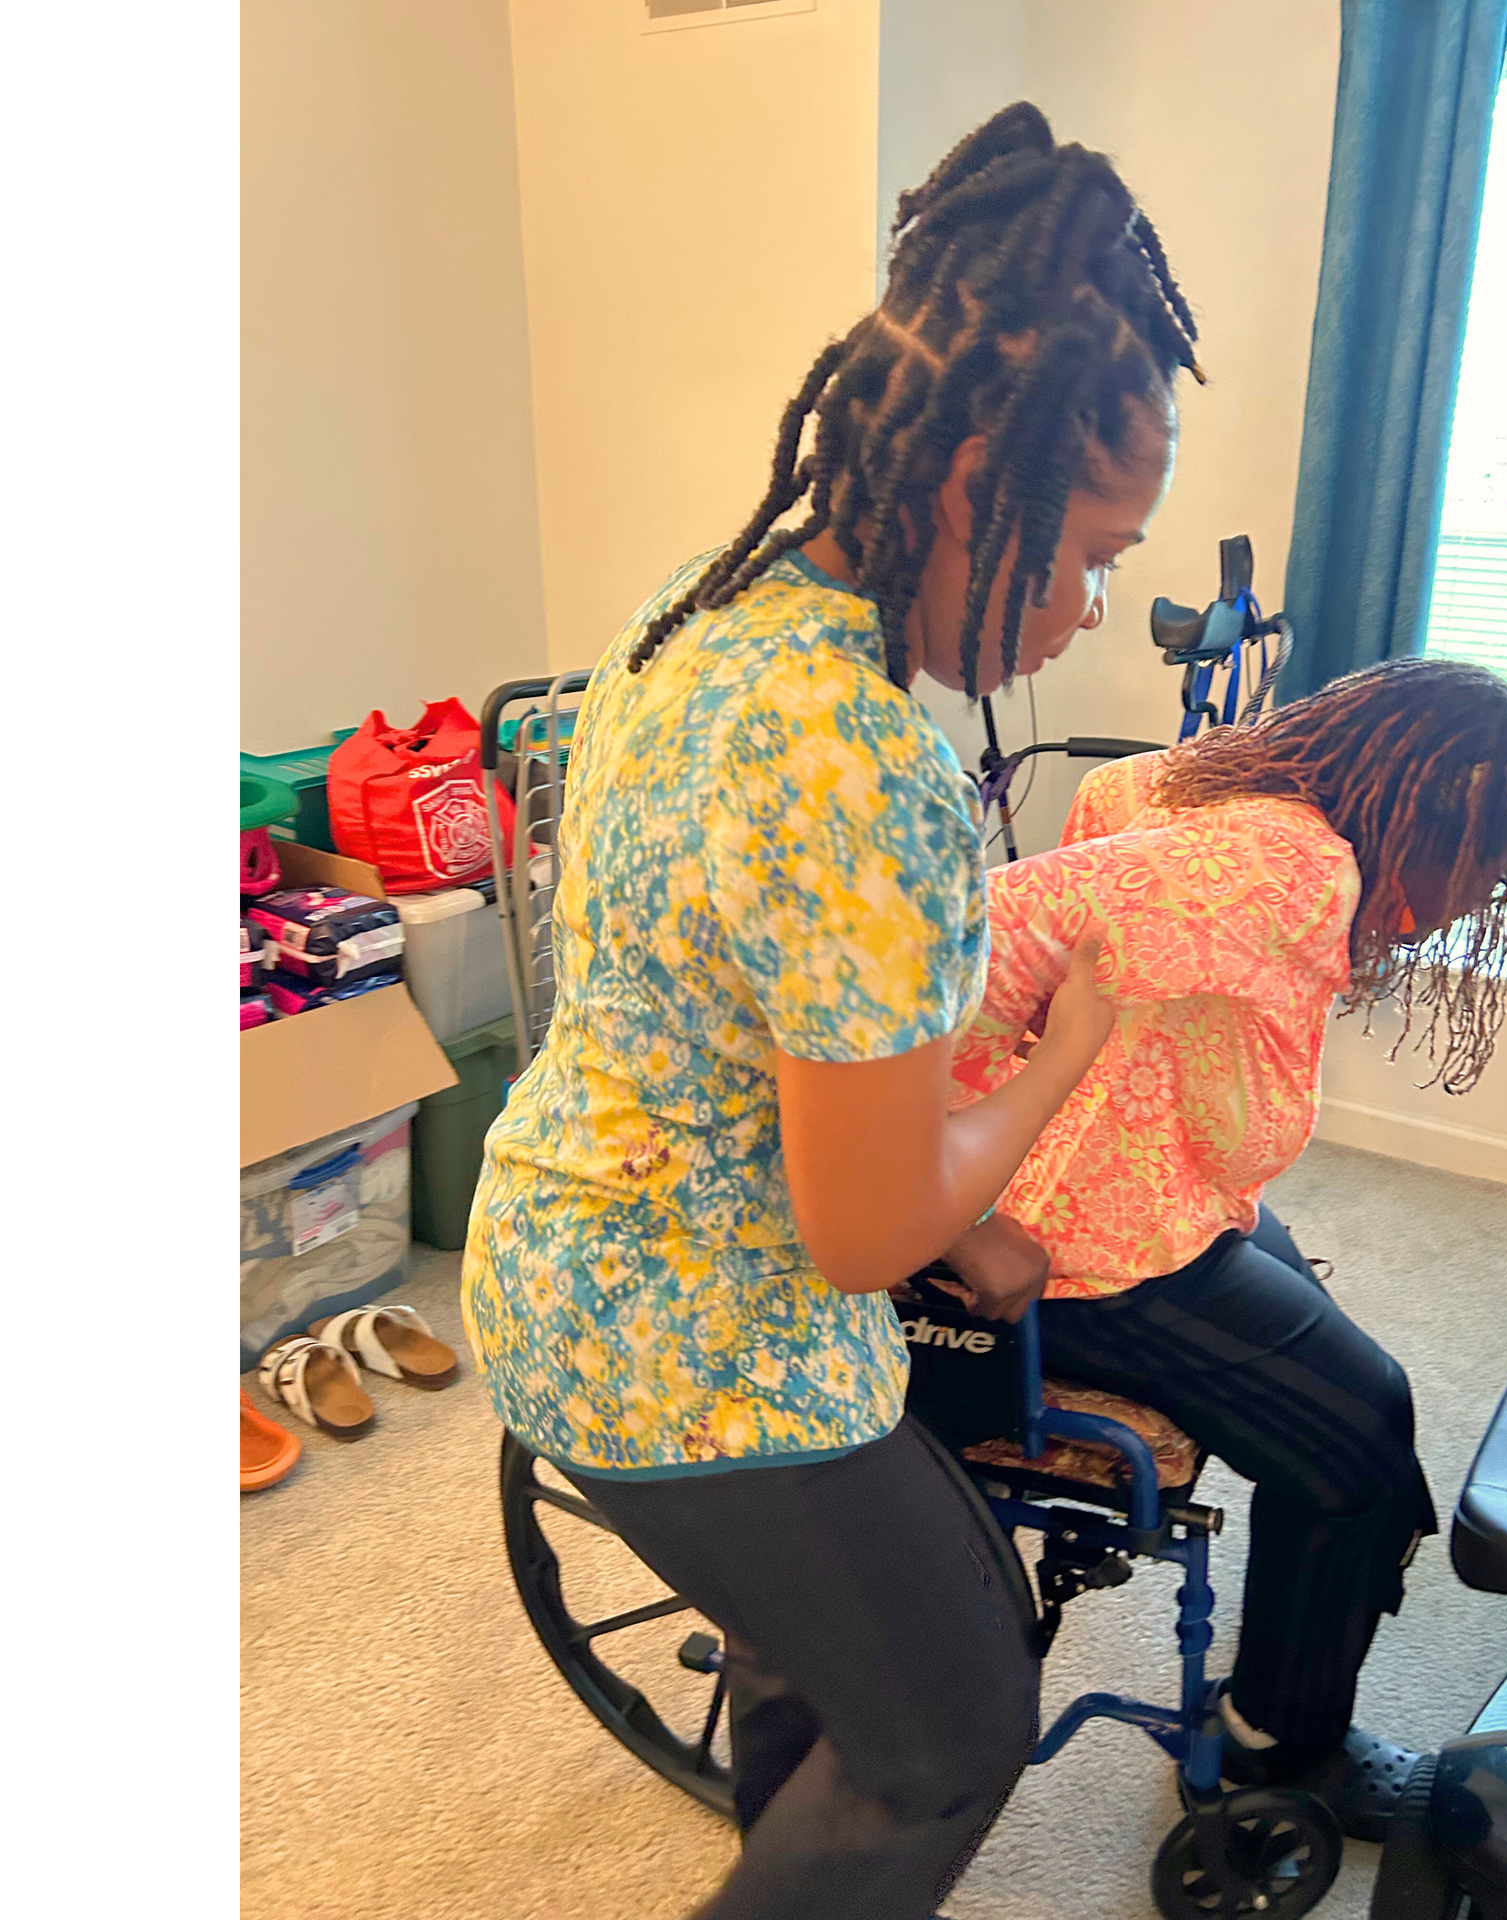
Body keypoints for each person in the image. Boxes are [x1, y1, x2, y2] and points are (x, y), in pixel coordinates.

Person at [460, 102, 1202, 1920]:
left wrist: (961, 1172)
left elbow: (753, 1010)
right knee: (952, 1734)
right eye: (1091, 550)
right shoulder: (866, 759)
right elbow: (869, 1232)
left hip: (563, 1233)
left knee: (826, 1658)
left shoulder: (693, 617)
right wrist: (1061, 1064)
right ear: (973, 486)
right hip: (684, 1341)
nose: (1095, 607)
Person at [944, 657, 1507, 1841]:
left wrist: (1087, 1050)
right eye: (1490, 859)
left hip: (1143, 1186)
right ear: (1421, 817)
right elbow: (985, 932)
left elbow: (1109, 812)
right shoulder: (1291, 866)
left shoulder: (1214, 783)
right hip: (1088, 1240)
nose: (1488, 890)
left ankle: (1280, 1674)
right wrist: (952, 1197)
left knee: (1326, 1352)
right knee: (1362, 1435)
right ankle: (1279, 1741)